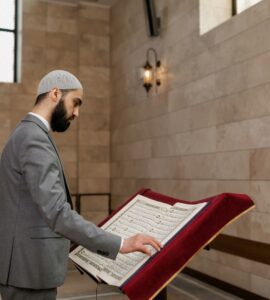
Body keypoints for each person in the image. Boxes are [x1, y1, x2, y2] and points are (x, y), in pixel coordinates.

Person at [0, 70, 161, 300]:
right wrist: (122, 244)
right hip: (28, 271)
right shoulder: (33, 137)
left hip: (25, 269)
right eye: (75, 103)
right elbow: (57, 212)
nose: (77, 113)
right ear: (55, 93)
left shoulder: (28, 133)